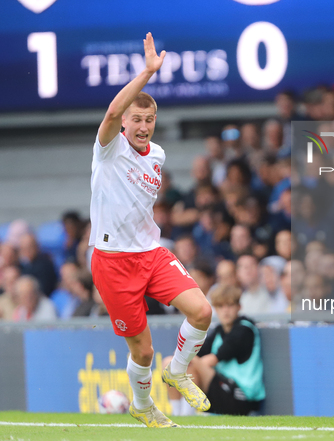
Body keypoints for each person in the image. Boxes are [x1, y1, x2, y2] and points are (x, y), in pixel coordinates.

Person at [88, 33, 212, 428]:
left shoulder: (157, 153)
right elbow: (109, 115)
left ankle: (177, 372)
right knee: (142, 352)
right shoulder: (109, 148)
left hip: (151, 253)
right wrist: (146, 73)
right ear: (124, 121)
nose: (142, 127)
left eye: (148, 120)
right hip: (112, 261)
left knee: (202, 311)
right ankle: (142, 405)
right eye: (135, 119)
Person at [164, 284, 265, 416]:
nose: (225, 311)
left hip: (242, 397)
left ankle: (186, 416)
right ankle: (176, 413)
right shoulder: (219, 331)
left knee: (189, 363)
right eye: (220, 306)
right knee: (169, 362)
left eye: (230, 305)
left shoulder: (245, 329)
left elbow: (209, 361)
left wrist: (184, 360)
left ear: (239, 307)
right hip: (223, 391)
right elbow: (198, 353)